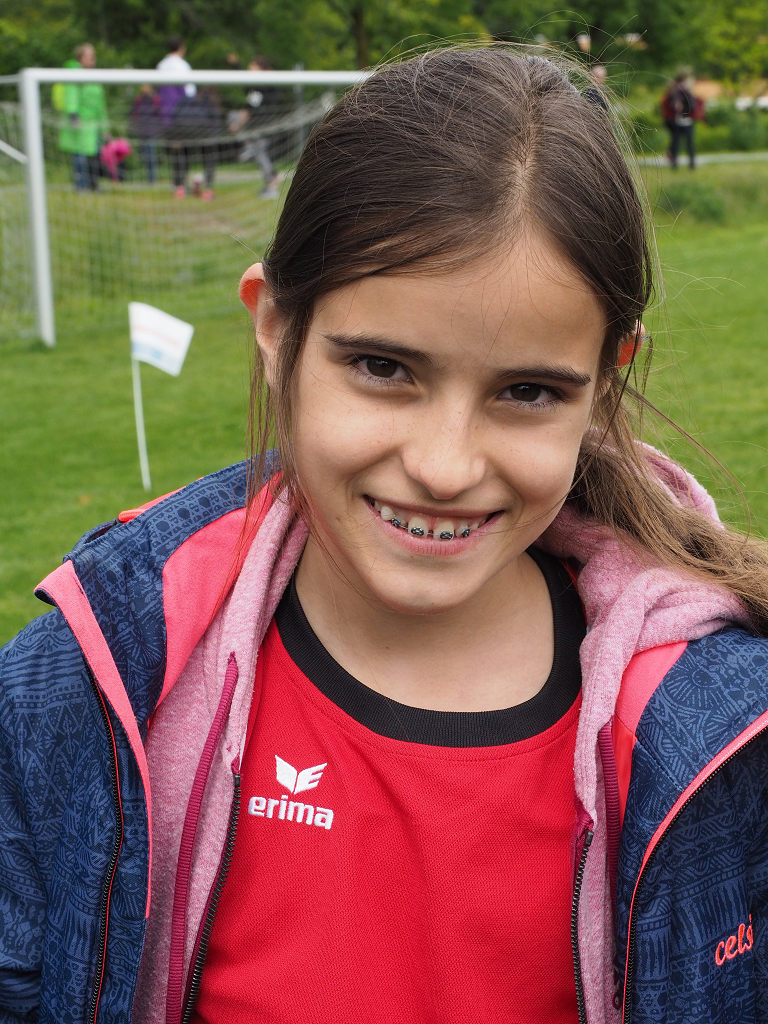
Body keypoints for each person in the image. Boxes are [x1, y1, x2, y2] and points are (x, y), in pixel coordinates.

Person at [2, 47, 768, 1024]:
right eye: (383, 367)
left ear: (606, 379)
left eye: (528, 391)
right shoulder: (82, 685)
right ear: (275, 327)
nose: (445, 466)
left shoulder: (721, 734)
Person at [56, 43, 109, 191]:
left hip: (94, 124)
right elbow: (71, 95)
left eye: (93, 56)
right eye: (89, 56)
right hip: (80, 122)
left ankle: (94, 184)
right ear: (80, 58)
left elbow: (100, 104)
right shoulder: (74, 75)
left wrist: (104, 127)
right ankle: (80, 185)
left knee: (95, 155)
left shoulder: (95, 77)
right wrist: (73, 115)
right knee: (80, 155)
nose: (93, 59)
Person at [228, 55, 282, 198]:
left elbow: (250, 107)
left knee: (261, 154)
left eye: (252, 66)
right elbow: (246, 85)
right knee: (262, 154)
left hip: (264, 126)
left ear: (260, 68)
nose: (249, 69)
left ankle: (272, 185)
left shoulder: (262, 85)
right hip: (259, 124)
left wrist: (237, 124)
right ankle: (270, 182)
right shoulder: (259, 84)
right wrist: (235, 65)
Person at [156, 35, 197, 196]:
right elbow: (190, 91)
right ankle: (181, 184)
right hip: (182, 114)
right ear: (181, 47)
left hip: (165, 115)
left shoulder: (161, 65)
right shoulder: (183, 65)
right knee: (185, 149)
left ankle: (177, 184)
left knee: (175, 149)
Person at [661, 72, 702, 169]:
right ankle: (674, 164)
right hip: (677, 122)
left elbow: (693, 106)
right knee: (675, 143)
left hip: (688, 121)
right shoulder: (673, 94)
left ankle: (691, 164)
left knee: (689, 143)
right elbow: (670, 106)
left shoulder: (689, 94)